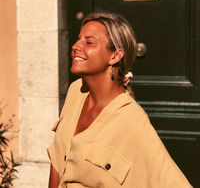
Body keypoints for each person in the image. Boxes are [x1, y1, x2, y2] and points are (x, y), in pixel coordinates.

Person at [47, 11, 192, 188]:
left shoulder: (131, 119)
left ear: (115, 55)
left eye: (89, 42)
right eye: (78, 39)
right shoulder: (75, 91)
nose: (76, 46)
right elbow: (58, 157)